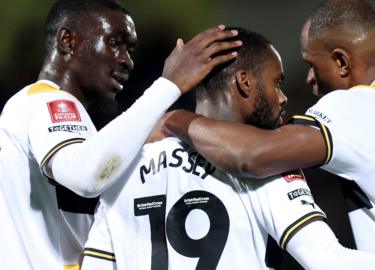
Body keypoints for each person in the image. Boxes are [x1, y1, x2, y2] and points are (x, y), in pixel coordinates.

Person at [82, 27, 375, 270]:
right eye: (276, 82)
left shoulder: (127, 167)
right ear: (245, 83)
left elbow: (96, 264)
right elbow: (327, 260)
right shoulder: (265, 169)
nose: (284, 97)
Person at [162, 0, 375, 269]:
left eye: (312, 64)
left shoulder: (357, 107)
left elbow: (252, 156)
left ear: (341, 61)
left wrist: (172, 117)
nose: (311, 80)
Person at [0, 0, 240, 268]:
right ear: (67, 41)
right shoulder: (50, 103)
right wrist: (168, 85)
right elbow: (87, 175)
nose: (127, 61)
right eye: (115, 43)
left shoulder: (40, 111)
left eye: (130, 49)